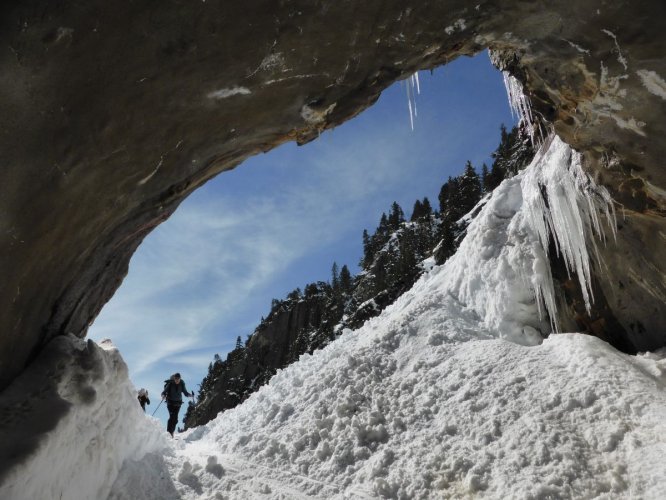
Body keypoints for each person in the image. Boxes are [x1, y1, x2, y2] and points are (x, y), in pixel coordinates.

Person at [161, 372, 193, 437]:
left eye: (178, 379)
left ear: (180, 379)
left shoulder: (182, 384)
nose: (177, 380)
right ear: (174, 379)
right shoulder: (170, 384)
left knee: (175, 419)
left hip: (178, 404)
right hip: (170, 403)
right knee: (172, 417)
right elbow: (164, 392)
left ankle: (171, 432)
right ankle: (169, 433)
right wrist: (163, 395)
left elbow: (185, 392)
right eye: (175, 379)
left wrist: (190, 395)